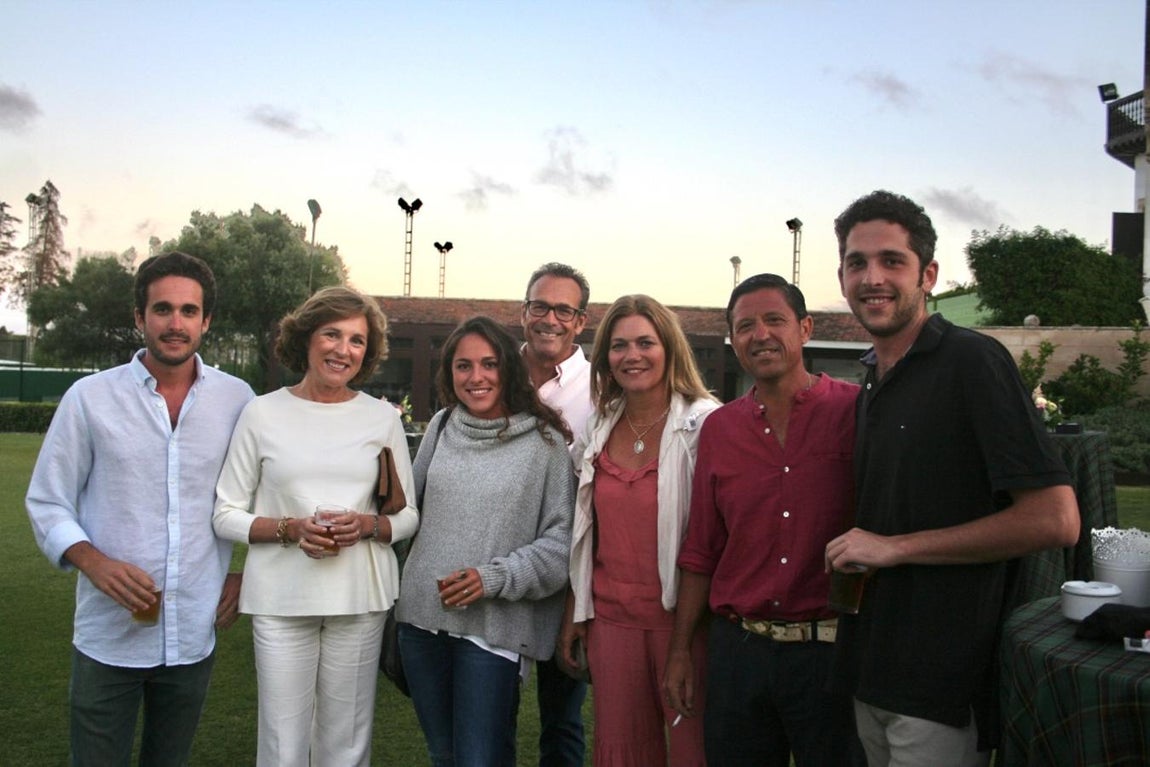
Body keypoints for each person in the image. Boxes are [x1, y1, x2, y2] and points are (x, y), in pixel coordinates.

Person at [825, 190, 1080, 766]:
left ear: (929, 274)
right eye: (857, 262)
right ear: (841, 276)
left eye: (893, 261)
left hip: (939, 682)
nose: (873, 278)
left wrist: (895, 547)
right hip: (871, 666)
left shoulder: (972, 361)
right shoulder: (873, 378)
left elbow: (1055, 519)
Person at [25, 251, 255, 766]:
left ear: (206, 321)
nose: (176, 324)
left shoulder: (238, 400)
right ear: (139, 318)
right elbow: (47, 500)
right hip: (109, 636)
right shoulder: (89, 398)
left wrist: (245, 573)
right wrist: (93, 561)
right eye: (163, 309)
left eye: (189, 311)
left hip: (195, 630)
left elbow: (263, 498)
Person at [212, 286, 417, 767]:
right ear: (305, 338)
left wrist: (366, 524)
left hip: (359, 597)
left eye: (357, 340)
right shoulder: (261, 413)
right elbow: (225, 513)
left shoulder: (380, 417)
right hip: (281, 599)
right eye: (332, 334)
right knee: (282, 745)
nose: (343, 350)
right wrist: (291, 529)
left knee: (345, 745)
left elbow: (406, 516)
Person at [664, 274, 863, 766]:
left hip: (832, 653)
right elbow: (701, 548)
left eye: (775, 320)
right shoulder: (720, 429)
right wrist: (682, 648)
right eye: (745, 326)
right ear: (733, 342)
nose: (760, 335)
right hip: (740, 653)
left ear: (804, 328)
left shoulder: (856, 411)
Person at [397, 315, 576, 767]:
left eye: (489, 364)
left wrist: (492, 578)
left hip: (492, 633)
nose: (476, 377)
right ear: (449, 373)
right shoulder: (440, 427)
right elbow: (409, 515)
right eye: (463, 366)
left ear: (508, 370)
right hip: (420, 623)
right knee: (445, 755)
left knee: (481, 759)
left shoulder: (545, 443)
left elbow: (561, 545)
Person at [561, 294, 719, 766]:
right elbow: (587, 531)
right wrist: (576, 609)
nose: (632, 356)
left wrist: (683, 643)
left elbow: (710, 540)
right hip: (611, 623)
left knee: (692, 750)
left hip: (686, 625)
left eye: (645, 343)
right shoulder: (599, 425)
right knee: (623, 752)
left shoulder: (705, 423)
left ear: (669, 348)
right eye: (619, 345)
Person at [521, 262, 594, 766]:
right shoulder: (492, 372)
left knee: (563, 720)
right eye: (540, 306)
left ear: (580, 321)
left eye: (563, 309)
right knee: (486, 714)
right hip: (494, 572)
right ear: (523, 312)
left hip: (568, 576)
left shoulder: (600, 386)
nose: (550, 318)